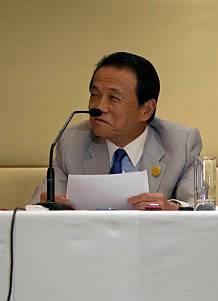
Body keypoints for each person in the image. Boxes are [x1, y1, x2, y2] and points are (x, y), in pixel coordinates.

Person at [32, 52, 202, 210]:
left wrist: (173, 208)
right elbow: (34, 209)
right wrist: (46, 207)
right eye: (94, 94)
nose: (98, 106)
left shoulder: (182, 144)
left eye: (113, 98)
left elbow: (199, 208)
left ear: (146, 110)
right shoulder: (71, 141)